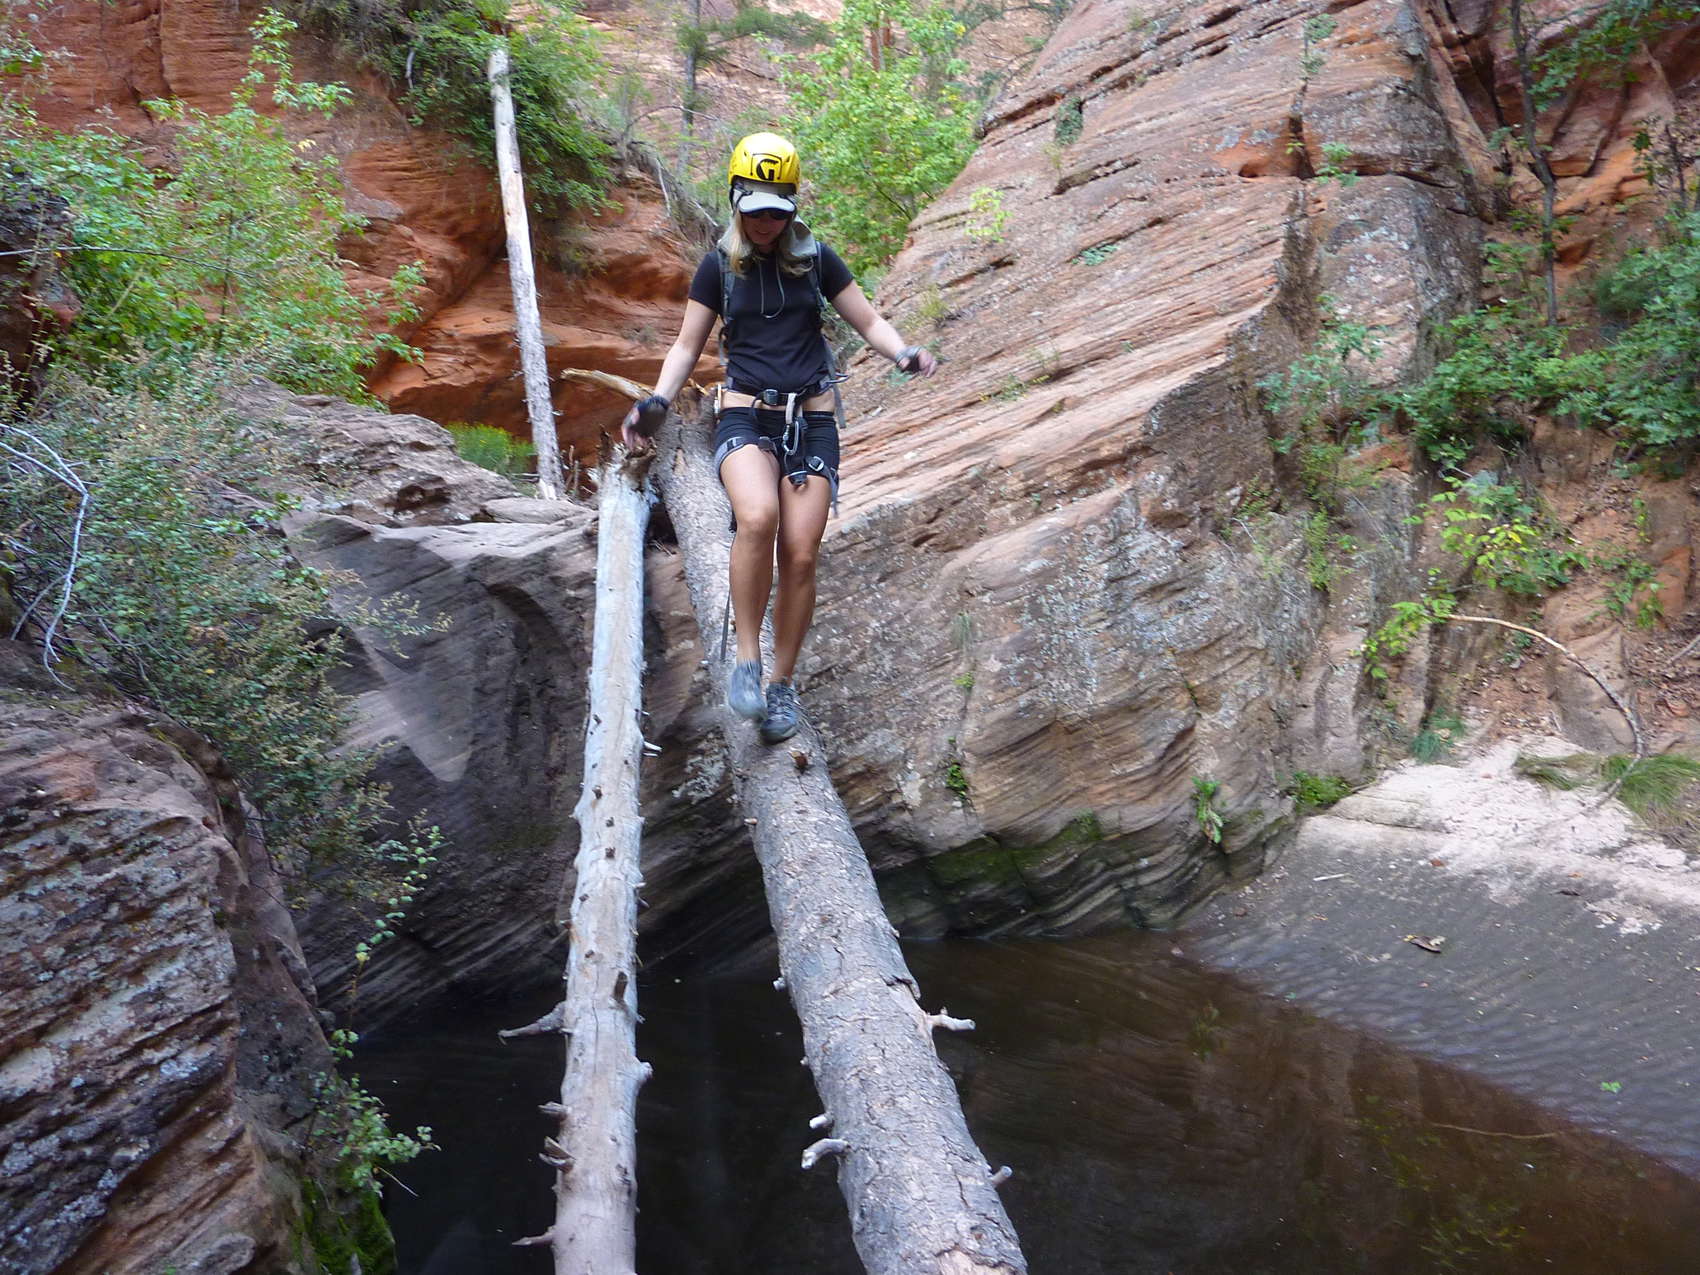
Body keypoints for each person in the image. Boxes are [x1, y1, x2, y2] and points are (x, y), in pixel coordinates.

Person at [622, 131, 936, 744]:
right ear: (735, 200)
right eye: (756, 210)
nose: (766, 223)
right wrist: (657, 401)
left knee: (800, 553)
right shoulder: (718, 266)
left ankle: (782, 686)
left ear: (792, 205)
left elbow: (868, 319)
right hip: (746, 413)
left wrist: (903, 352)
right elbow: (686, 345)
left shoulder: (817, 260)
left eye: (777, 211)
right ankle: (747, 658)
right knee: (757, 516)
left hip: (812, 420)